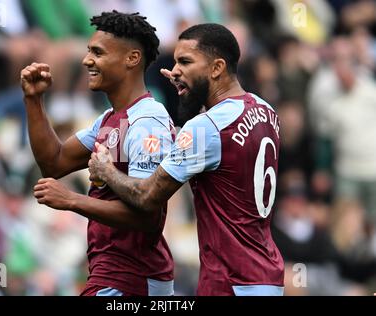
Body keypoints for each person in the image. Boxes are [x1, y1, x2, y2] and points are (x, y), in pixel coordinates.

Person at [89, 23, 285, 296]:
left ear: (216, 68)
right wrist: (189, 86)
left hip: (229, 281)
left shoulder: (205, 128)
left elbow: (147, 196)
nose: (176, 70)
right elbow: (221, 146)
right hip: (268, 277)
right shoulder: (266, 110)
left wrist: (106, 170)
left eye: (185, 62)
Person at [20, 11, 175, 296]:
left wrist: (72, 200)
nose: (86, 60)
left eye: (97, 52)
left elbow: (148, 216)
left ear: (132, 59)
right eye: (88, 50)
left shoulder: (147, 122)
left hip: (134, 277)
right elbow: (54, 163)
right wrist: (34, 99)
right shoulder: (108, 119)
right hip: (112, 273)